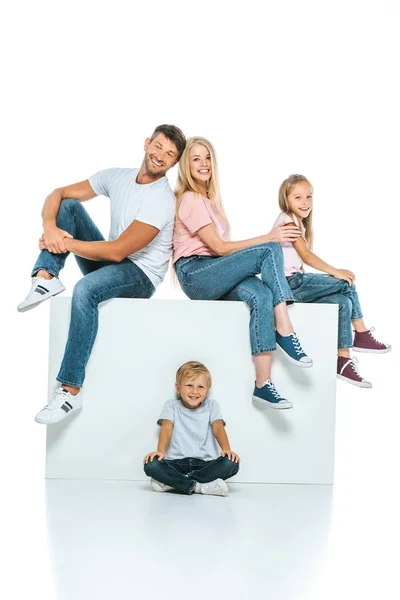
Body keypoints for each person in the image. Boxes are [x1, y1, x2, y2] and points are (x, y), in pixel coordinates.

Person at [18, 124, 186, 424]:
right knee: (68, 207)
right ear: (147, 143)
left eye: (170, 154)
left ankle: (70, 391)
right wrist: (49, 228)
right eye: (158, 146)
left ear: (174, 164)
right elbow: (58, 193)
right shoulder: (117, 176)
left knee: (85, 290)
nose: (161, 156)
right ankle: (45, 277)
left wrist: (64, 241)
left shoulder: (161, 200)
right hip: (112, 261)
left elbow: (118, 251)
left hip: (140, 274)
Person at [172, 137, 313, 411]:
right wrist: (269, 237)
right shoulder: (190, 198)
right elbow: (219, 247)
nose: (203, 164)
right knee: (269, 248)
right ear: (186, 166)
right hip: (196, 273)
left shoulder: (210, 201)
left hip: (214, 271)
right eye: (196, 158)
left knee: (260, 294)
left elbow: (221, 252)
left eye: (208, 158)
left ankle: (263, 385)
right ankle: (285, 329)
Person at [274, 174, 391, 388]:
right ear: (286, 199)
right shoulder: (287, 219)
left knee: (342, 302)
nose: (305, 202)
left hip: (296, 283)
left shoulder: (297, 222)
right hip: (289, 285)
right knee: (347, 283)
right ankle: (362, 334)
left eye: (309, 196)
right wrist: (335, 271)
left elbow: (298, 260)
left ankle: (343, 360)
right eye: (298, 197)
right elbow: (307, 257)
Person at [143, 361, 240, 496]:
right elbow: (166, 428)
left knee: (231, 463)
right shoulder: (171, 406)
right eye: (189, 385)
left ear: (207, 389)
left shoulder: (212, 406)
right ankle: (200, 487)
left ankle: (173, 483)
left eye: (201, 387)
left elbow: (218, 427)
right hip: (176, 464)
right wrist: (160, 451)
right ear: (178, 388)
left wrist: (226, 449)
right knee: (151, 464)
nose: (195, 391)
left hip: (205, 464)